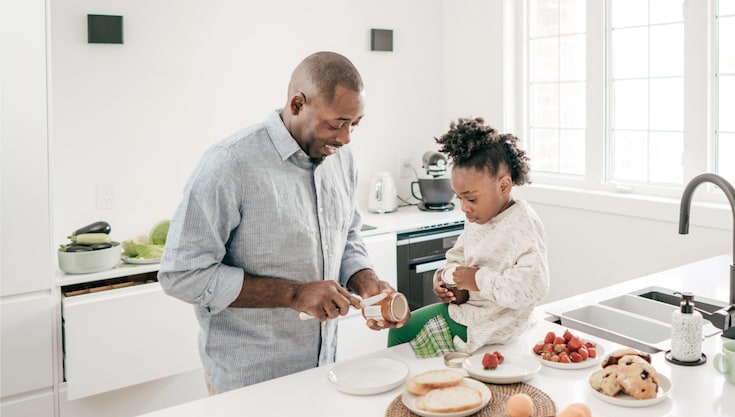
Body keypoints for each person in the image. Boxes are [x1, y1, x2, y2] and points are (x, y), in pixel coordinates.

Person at [159, 51, 404, 394]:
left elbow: (347, 235)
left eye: (355, 124)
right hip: (248, 384)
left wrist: (367, 282)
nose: (347, 137)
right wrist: (294, 294)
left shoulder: (342, 159)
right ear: (297, 103)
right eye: (337, 123)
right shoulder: (230, 163)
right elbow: (181, 274)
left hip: (324, 372)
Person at [387, 117, 549, 354]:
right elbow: (459, 255)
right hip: (472, 312)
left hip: (493, 324)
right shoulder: (479, 217)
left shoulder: (523, 224)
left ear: (504, 186)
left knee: (402, 330)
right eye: (459, 197)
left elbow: (534, 287)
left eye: (471, 198)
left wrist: (477, 280)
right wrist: (446, 281)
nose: (464, 207)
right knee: (402, 328)